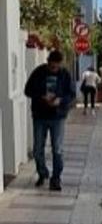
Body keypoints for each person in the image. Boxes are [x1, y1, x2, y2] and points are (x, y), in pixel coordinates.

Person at [24, 50, 75, 191]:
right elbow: (27, 90)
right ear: (48, 62)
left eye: (57, 66)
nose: (54, 69)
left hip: (57, 116)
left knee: (57, 149)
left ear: (60, 64)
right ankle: (42, 173)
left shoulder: (65, 75)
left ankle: (56, 178)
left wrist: (60, 101)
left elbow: (71, 95)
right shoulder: (38, 72)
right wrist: (41, 96)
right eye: (52, 66)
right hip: (40, 115)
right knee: (37, 149)